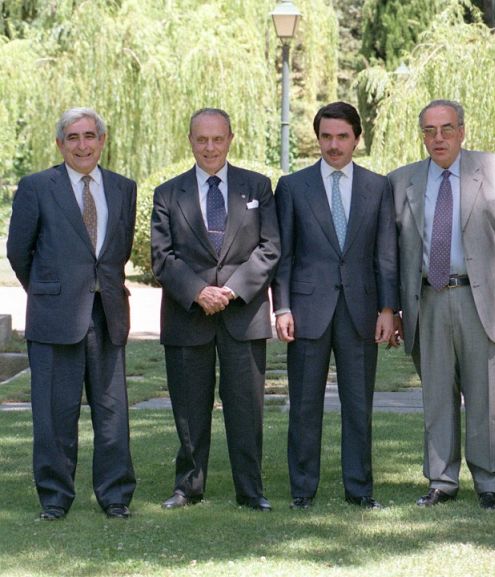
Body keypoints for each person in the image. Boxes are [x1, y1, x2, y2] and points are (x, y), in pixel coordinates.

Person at [7, 107, 137, 521]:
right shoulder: (36, 187)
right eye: (73, 138)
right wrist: (48, 291)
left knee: (112, 411)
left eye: (89, 136)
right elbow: (18, 251)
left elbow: (119, 251)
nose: (82, 145)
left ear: (102, 140)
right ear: (60, 144)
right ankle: (55, 498)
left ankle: (115, 496)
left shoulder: (123, 188)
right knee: (53, 413)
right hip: (54, 316)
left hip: (108, 314)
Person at [151, 108, 280, 511]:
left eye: (217, 139)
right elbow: (162, 256)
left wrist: (232, 290)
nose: (210, 147)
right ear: (190, 140)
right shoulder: (168, 193)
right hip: (188, 316)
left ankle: (250, 490)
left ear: (230, 138)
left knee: (246, 408)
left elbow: (270, 246)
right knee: (189, 408)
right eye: (201, 140)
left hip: (243, 315)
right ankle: (187, 487)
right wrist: (198, 292)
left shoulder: (257, 186)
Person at [271, 101, 398, 510]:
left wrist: (387, 309)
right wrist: (282, 307)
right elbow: (283, 255)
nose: (333, 145)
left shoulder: (378, 187)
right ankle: (302, 491)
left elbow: (385, 255)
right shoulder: (292, 187)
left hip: (361, 311)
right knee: (304, 406)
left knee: (358, 406)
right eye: (326, 136)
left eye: (342, 136)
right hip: (307, 310)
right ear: (317, 138)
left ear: (357, 139)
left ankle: (360, 490)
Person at [388, 99, 495, 509]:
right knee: (437, 396)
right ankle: (441, 480)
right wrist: (394, 308)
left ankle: (489, 482)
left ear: (462, 130)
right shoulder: (401, 180)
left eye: (446, 129)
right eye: (429, 131)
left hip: (481, 300)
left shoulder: (494, 169)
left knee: (485, 395)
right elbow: (391, 252)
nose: (437, 138)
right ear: (421, 135)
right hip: (428, 300)